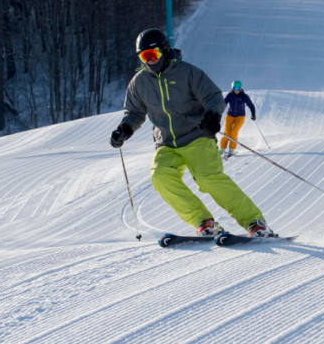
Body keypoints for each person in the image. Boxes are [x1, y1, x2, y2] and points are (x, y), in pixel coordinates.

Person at [109, 28, 274, 238]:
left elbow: (213, 96)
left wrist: (213, 115)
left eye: (154, 55)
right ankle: (204, 222)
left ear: (165, 51)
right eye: (145, 57)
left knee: (208, 179)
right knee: (160, 177)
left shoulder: (187, 72)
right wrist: (124, 130)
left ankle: (255, 222)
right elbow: (134, 112)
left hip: (197, 135)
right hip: (167, 143)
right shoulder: (139, 83)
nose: (150, 61)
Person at [219, 80, 256, 159]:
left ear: (241, 88)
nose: (236, 90)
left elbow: (251, 105)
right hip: (230, 115)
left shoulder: (244, 96)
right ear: (232, 88)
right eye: (235, 88)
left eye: (238, 88)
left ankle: (231, 149)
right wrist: (219, 111)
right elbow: (223, 104)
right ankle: (222, 149)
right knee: (227, 133)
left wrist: (253, 114)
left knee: (233, 132)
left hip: (240, 116)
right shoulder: (230, 95)